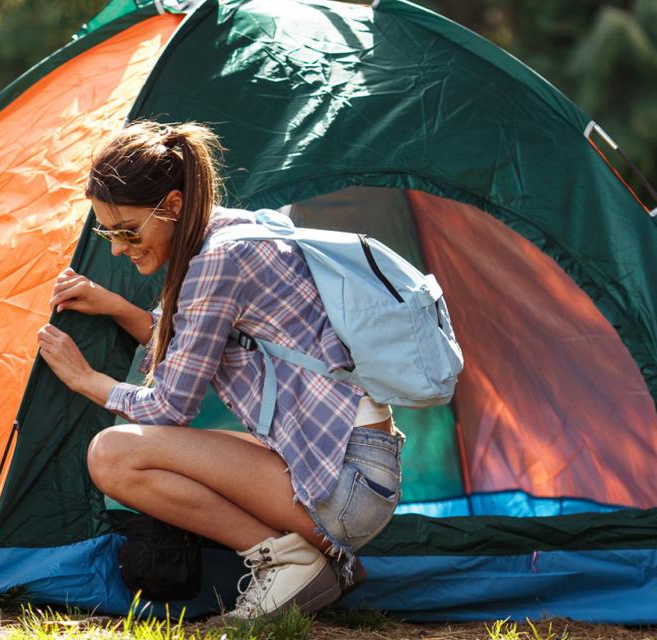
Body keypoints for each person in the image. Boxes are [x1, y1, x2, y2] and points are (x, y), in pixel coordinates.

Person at [36, 122, 403, 619]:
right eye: (107, 231)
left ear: (171, 205)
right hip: (358, 466)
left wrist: (86, 380)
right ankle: (326, 559)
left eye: (125, 230)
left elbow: (171, 406)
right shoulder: (235, 230)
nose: (118, 247)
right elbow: (193, 342)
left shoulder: (217, 262)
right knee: (196, 447)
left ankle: (288, 562)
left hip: (348, 484)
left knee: (113, 455)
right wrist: (119, 308)